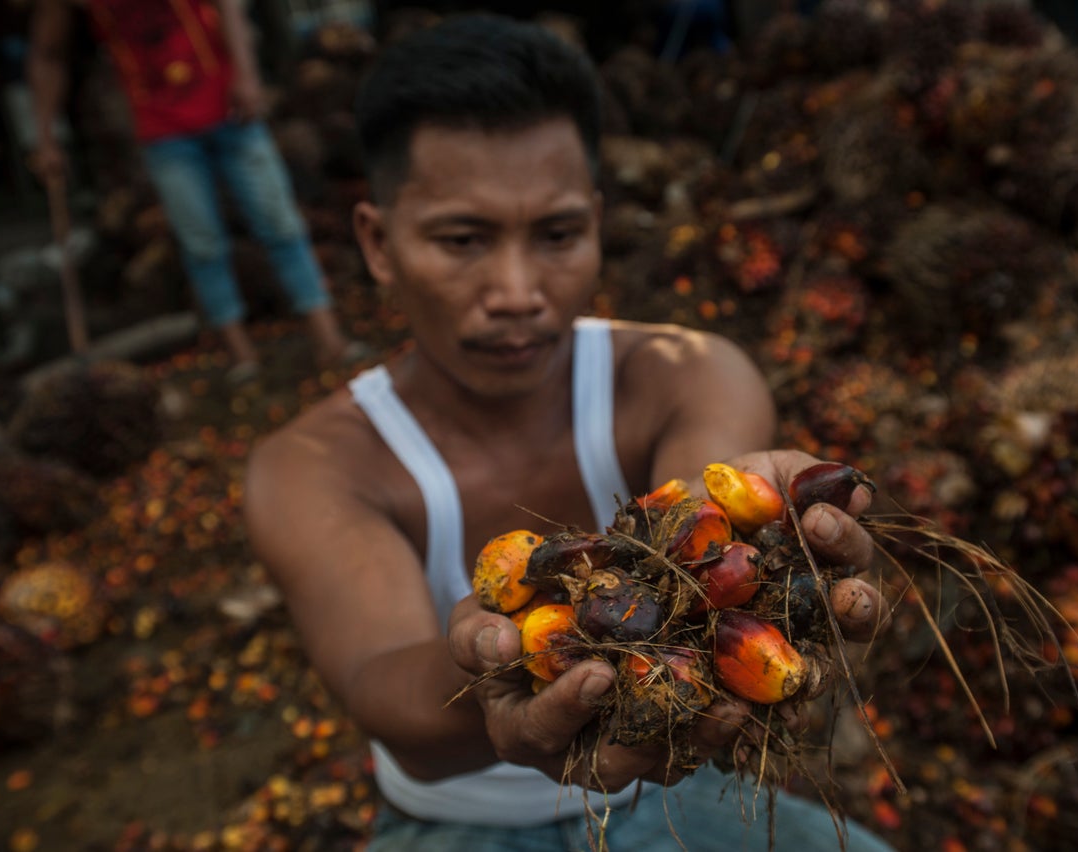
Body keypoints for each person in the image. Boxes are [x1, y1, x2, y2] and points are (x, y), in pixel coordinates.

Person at [245, 13, 894, 851]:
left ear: (594, 223)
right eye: (463, 239)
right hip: (456, 824)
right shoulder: (311, 466)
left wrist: (751, 543)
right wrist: (493, 670)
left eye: (555, 235)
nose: (517, 290)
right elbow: (383, 691)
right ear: (378, 243)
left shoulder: (686, 374)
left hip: (661, 806)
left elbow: (702, 529)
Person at [27, 0, 368, 384]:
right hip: (162, 130)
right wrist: (45, 137)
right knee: (201, 243)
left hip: (229, 108)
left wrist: (246, 74)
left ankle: (328, 338)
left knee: (280, 222)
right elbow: (47, 54)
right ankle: (241, 356)